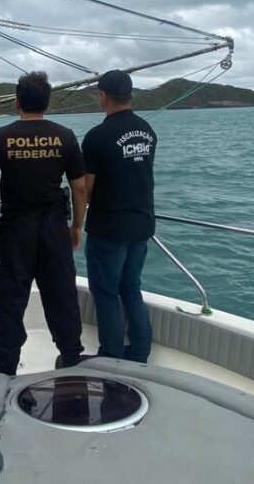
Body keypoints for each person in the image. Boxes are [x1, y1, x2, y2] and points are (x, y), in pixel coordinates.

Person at [0, 71, 88, 376]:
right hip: (54, 227)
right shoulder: (65, 136)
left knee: (10, 297)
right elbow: (79, 187)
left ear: (17, 102)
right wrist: (77, 225)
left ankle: (6, 363)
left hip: (15, 229)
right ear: (47, 103)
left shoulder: (0, 137)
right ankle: (69, 354)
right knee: (62, 293)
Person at [82, 69, 157, 363]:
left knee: (105, 293)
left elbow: (86, 188)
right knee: (131, 289)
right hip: (142, 224)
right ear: (130, 95)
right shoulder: (147, 130)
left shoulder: (98, 136)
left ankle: (111, 355)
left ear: (103, 96)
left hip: (110, 227)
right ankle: (139, 352)